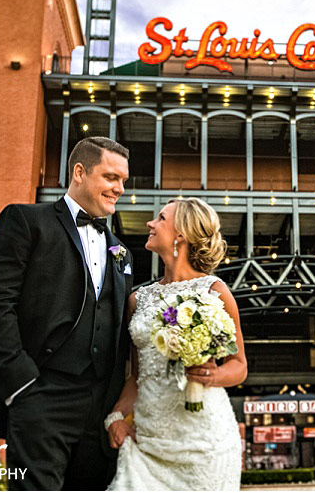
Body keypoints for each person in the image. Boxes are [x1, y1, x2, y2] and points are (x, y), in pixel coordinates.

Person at [0, 137, 133, 490]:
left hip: (98, 409)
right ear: (79, 172)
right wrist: (21, 385)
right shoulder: (25, 220)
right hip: (39, 394)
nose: (120, 189)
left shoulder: (121, 251)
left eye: (124, 181)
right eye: (111, 177)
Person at [106, 197, 246, 491]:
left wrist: (213, 375)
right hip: (148, 443)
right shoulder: (138, 299)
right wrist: (116, 417)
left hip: (204, 442)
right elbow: (137, 377)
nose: (150, 223)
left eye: (160, 218)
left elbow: (239, 366)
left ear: (180, 233)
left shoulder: (215, 291)